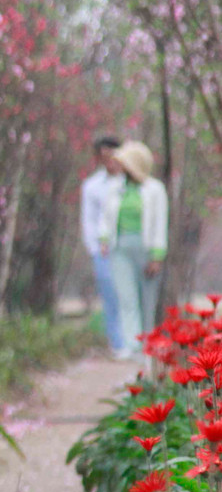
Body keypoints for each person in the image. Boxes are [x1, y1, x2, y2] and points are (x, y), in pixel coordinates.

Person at [98, 140, 169, 357]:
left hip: (146, 249)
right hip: (120, 248)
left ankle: (147, 346)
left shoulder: (155, 189)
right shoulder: (115, 188)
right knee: (126, 297)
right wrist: (104, 239)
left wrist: (157, 256)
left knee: (146, 300)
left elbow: (160, 223)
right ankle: (132, 345)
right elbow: (105, 218)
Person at [81, 136, 127, 358]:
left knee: (129, 294)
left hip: (127, 246)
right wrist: (94, 248)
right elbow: (88, 220)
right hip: (103, 249)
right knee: (110, 296)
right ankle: (118, 344)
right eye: (104, 155)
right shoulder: (92, 186)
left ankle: (134, 340)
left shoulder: (131, 183)